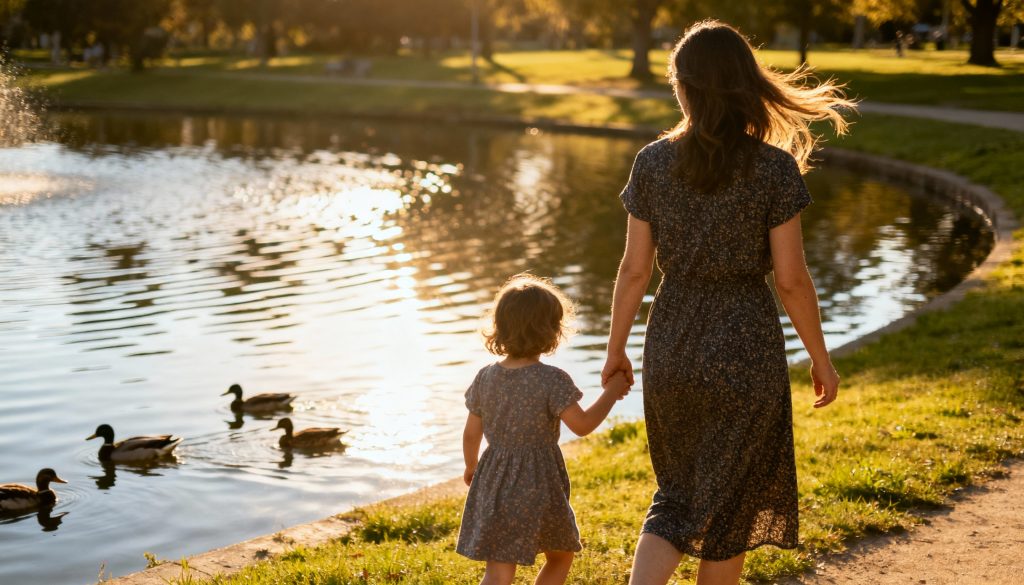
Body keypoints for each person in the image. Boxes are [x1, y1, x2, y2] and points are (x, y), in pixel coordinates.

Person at [601, 20, 849, 585]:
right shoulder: (772, 169)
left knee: (677, 493)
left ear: (683, 87)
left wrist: (616, 349)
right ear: (744, 85)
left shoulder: (652, 162)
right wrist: (821, 357)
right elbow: (791, 281)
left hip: (673, 341)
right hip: (746, 344)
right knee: (732, 505)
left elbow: (635, 269)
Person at [457, 273, 631, 585]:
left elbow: (472, 433)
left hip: (494, 481)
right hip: (539, 484)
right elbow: (583, 425)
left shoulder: (485, 377)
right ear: (552, 330)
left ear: (499, 326)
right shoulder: (551, 379)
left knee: (498, 569)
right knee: (560, 555)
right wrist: (611, 393)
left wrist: (472, 467)